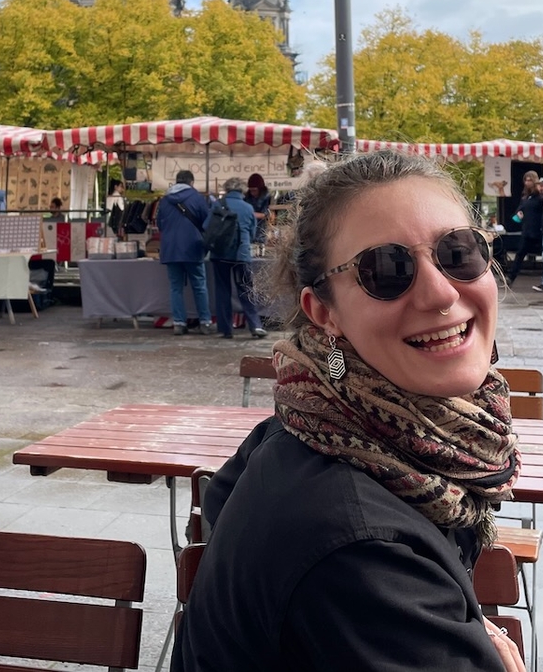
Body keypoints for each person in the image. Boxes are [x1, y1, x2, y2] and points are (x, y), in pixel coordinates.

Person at [173, 151, 524, 672]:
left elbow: (222, 499)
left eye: (458, 251)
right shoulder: (362, 553)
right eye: (386, 269)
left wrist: (459, 618)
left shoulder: (308, 421)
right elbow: (345, 561)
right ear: (324, 313)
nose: (441, 292)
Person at [207, 177, 267, 340]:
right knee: (245, 290)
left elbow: (207, 227)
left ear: (226, 190)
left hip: (220, 255)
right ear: (242, 190)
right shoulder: (248, 208)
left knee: (222, 291)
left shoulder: (217, 205)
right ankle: (255, 326)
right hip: (241, 255)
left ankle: (225, 330)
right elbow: (253, 234)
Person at [156, 170, 214, 334]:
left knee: (175, 288)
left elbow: (160, 224)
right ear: (191, 182)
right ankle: (205, 322)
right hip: (193, 248)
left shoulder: (165, 200)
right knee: (199, 286)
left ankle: (179, 323)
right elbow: (207, 222)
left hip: (170, 249)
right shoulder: (197, 198)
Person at [505, 171, 543, 287]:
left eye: (529, 180)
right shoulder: (525, 197)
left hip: (539, 231)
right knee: (520, 254)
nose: (527, 183)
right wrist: (518, 214)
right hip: (527, 231)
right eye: (525, 180)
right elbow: (519, 210)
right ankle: (510, 278)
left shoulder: (540, 197)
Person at [244, 173, 272, 246]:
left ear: (260, 189)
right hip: (249, 230)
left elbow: (266, 214)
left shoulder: (267, 197)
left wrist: (248, 213)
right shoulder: (247, 197)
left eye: (254, 190)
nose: (252, 193)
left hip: (261, 231)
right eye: (251, 190)